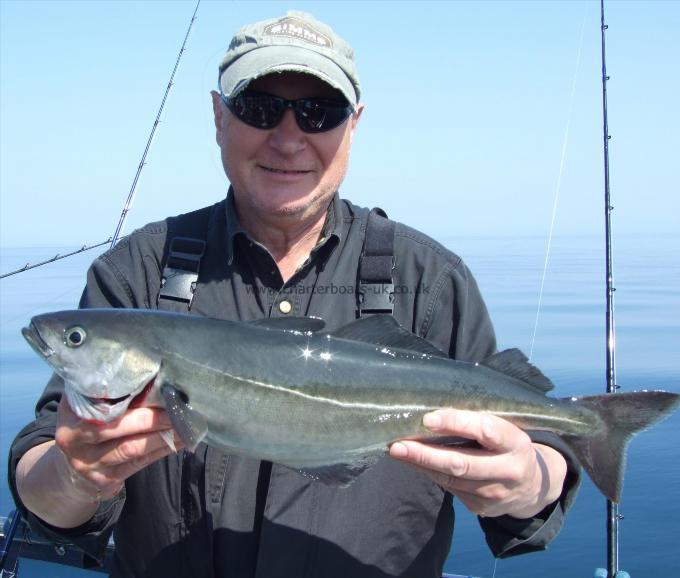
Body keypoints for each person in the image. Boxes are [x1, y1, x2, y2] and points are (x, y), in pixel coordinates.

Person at [9, 11, 579, 578]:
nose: (288, 139)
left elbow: (541, 468)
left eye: (318, 113)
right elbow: (43, 482)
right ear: (218, 116)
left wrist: (530, 479)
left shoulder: (430, 279)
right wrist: (72, 475)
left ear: (352, 125)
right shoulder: (135, 272)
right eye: (258, 109)